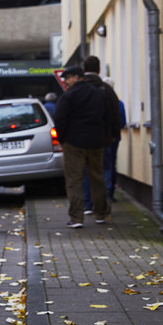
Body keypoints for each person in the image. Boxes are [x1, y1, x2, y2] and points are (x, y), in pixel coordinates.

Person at [53, 65, 109, 228]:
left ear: (76, 77)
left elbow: (60, 119)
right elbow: (107, 116)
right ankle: (100, 214)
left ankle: (77, 218)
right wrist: (104, 137)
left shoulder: (68, 96)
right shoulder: (99, 94)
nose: (66, 82)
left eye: (68, 78)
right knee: (97, 177)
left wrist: (63, 139)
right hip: (96, 142)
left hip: (74, 142)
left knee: (74, 180)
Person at [80, 55, 124, 210]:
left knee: (86, 172)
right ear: (98, 70)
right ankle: (102, 205)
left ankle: (87, 205)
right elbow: (115, 113)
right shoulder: (107, 90)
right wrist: (114, 135)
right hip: (103, 139)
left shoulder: (78, 88)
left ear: (84, 70)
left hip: (81, 140)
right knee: (103, 170)